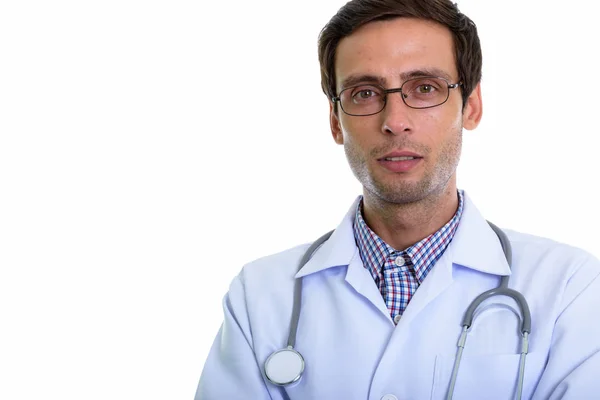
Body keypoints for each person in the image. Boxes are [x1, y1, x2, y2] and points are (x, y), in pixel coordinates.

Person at [195, 0, 600, 398]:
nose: (394, 121)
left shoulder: (568, 287)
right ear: (336, 121)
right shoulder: (260, 295)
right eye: (365, 93)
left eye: (425, 88)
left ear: (471, 106)